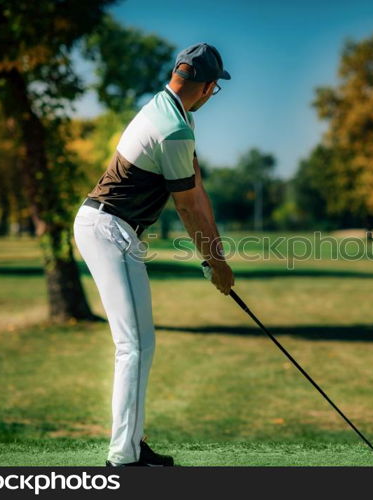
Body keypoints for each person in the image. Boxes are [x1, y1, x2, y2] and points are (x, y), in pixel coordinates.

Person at [73, 43, 234, 466]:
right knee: (133, 346)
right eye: (215, 88)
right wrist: (215, 262)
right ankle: (123, 458)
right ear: (208, 86)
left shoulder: (177, 114)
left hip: (116, 230)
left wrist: (217, 259)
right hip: (106, 228)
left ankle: (131, 446)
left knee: (142, 344)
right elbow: (186, 206)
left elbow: (197, 193)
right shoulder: (174, 128)